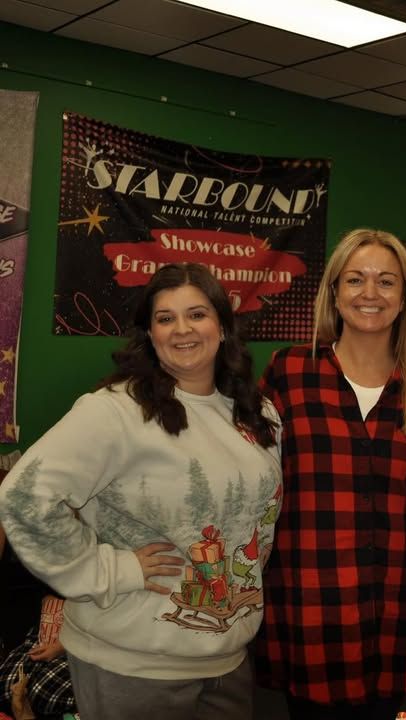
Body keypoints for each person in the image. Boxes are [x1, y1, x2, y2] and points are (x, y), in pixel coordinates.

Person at [0, 262, 282, 720]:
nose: (182, 329)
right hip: (130, 666)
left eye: (197, 314)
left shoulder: (259, 413)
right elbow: (23, 497)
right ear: (150, 334)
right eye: (165, 318)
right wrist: (109, 571)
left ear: (223, 326)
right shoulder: (115, 411)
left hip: (228, 660)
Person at [254, 228, 406, 719]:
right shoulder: (289, 372)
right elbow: (251, 480)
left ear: (405, 298)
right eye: (355, 279)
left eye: (386, 281)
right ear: (334, 291)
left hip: (396, 618)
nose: (371, 293)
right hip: (309, 612)